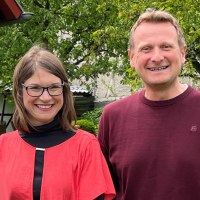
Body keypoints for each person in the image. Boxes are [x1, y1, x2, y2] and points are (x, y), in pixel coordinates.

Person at [98, 8, 200, 200]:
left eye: (166, 46)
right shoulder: (113, 117)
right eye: (146, 48)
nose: (157, 57)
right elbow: (104, 192)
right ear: (132, 58)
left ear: (183, 53)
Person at [0, 45, 116, 200]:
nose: (46, 97)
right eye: (35, 88)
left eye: (54, 87)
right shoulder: (3, 146)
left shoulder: (85, 146)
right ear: (19, 92)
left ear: (64, 90)